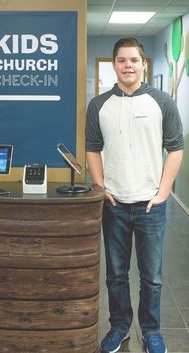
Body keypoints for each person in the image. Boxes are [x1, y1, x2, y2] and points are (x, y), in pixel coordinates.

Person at [85, 37, 184, 353]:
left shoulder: (162, 102)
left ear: (144, 64)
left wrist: (164, 191)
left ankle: (152, 330)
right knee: (116, 274)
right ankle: (119, 326)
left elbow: (176, 149)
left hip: (149, 206)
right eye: (121, 60)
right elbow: (92, 148)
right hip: (114, 204)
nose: (128, 65)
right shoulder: (99, 105)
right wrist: (101, 186)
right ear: (114, 64)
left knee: (151, 277)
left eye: (133, 60)